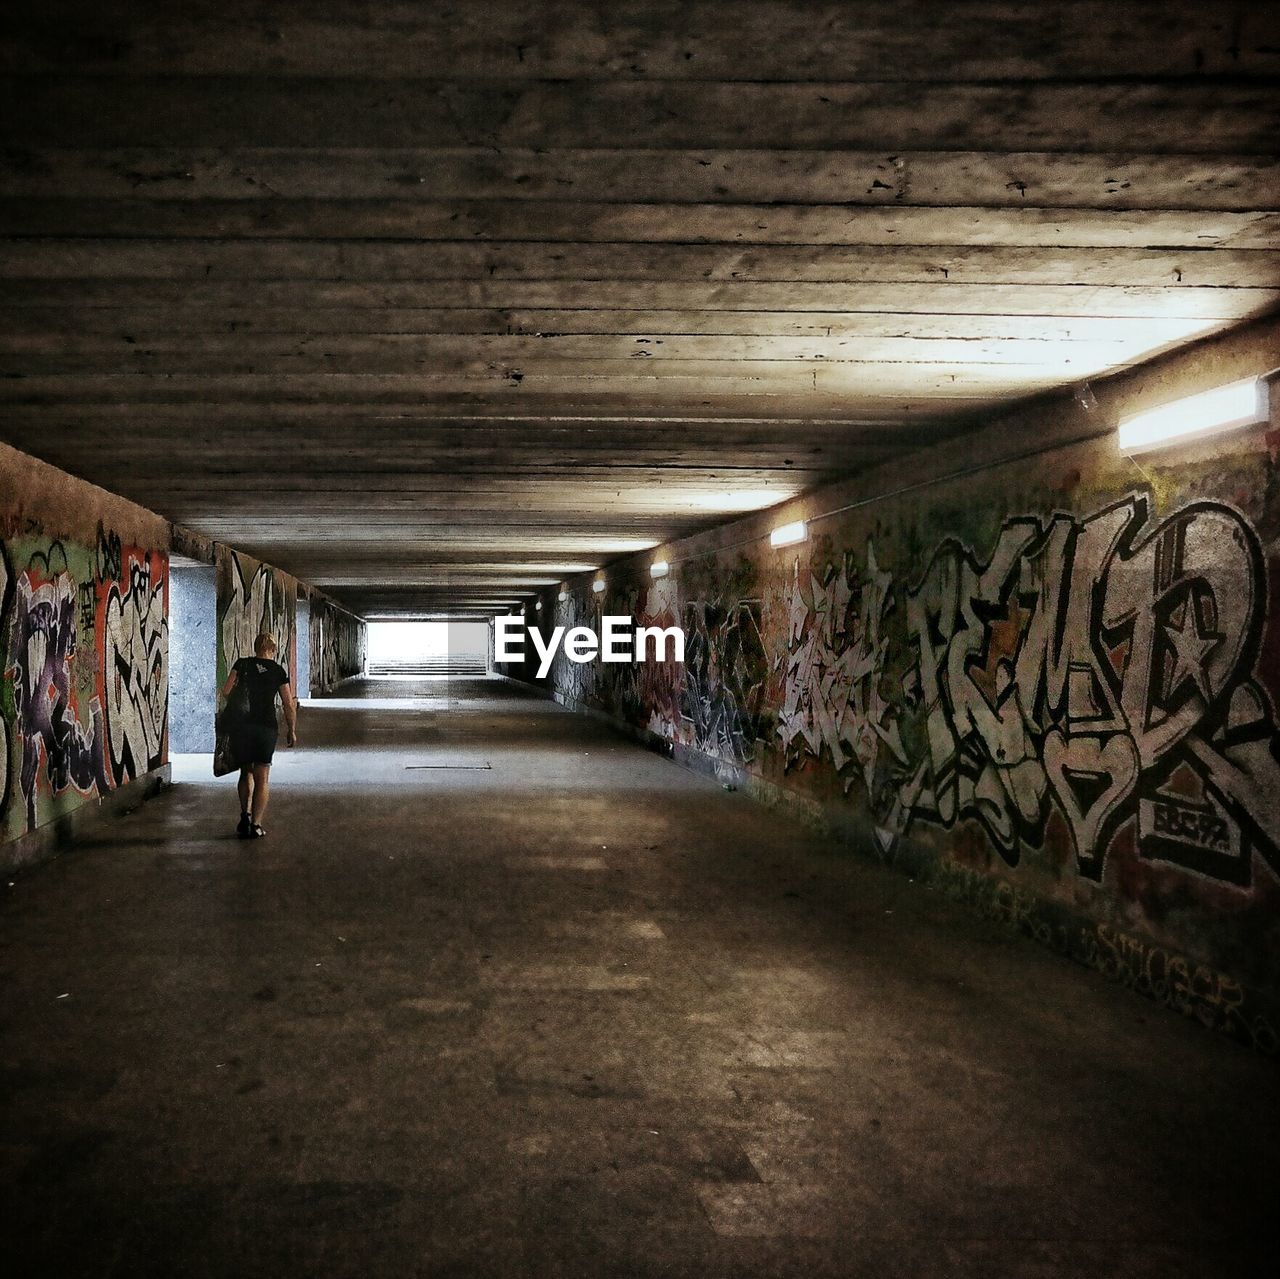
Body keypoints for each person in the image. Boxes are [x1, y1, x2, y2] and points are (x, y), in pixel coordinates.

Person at [219, 633, 297, 838]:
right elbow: (288, 704)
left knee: (246, 772)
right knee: (262, 777)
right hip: (266, 727)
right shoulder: (278, 671)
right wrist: (292, 729)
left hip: (242, 726)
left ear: (255, 647)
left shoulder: (242, 664)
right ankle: (256, 824)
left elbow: (226, 691)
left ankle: (244, 816)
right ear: (273, 649)